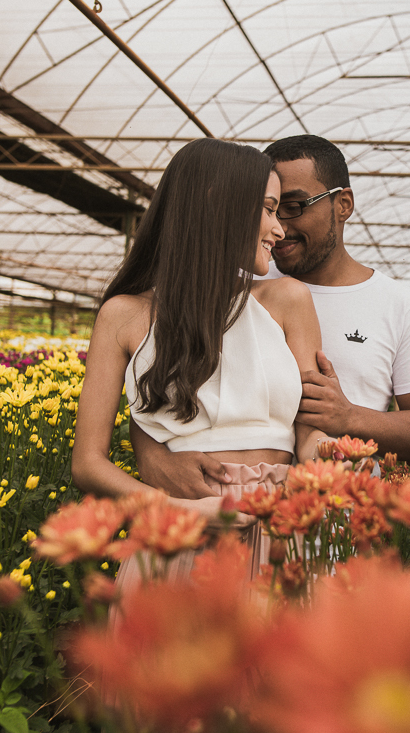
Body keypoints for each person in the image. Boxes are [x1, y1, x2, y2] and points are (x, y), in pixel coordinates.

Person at [134, 135, 410, 500]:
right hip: (224, 501)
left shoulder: (398, 304)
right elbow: (162, 381)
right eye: (269, 208)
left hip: (334, 506)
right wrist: (152, 457)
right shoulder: (236, 288)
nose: (279, 226)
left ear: (343, 204)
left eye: (294, 206)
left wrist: (348, 417)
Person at [71, 138, 326, 577]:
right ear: (217, 206)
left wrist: (329, 473)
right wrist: (174, 509)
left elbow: (310, 432)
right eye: (267, 209)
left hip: (279, 526)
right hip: (176, 529)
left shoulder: (288, 299)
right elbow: (87, 463)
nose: (279, 229)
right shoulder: (123, 316)